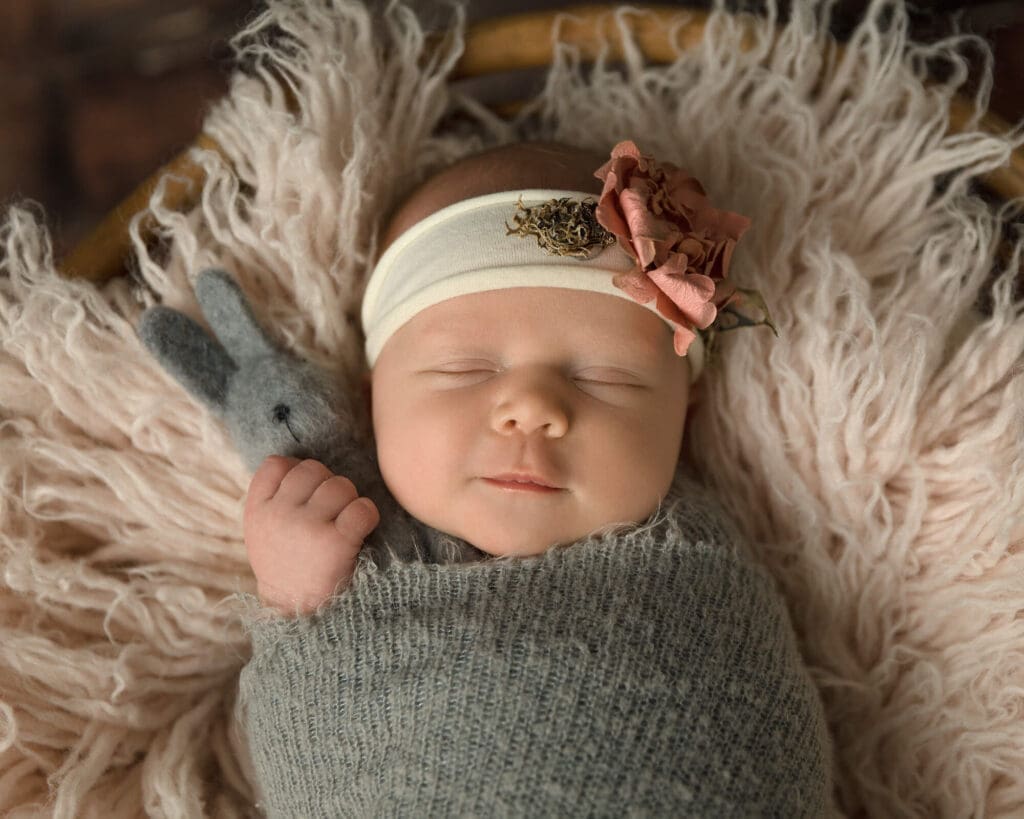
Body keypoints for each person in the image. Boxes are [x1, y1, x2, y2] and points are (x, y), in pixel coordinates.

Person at [236, 140, 830, 817]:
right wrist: (290, 599)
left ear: (682, 412)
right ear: (373, 396)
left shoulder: (706, 576)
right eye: (467, 368)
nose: (533, 409)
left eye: (605, 375)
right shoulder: (343, 542)